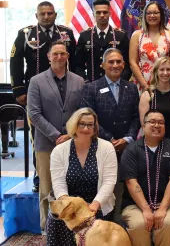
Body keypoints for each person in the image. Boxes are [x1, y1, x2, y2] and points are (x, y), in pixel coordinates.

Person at [27, 40, 84, 231]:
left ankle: (71, 230)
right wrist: (56, 135)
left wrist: (70, 135)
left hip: (74, 144)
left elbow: (82, 112)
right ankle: (47, 230)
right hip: (46, 144)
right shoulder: (36, 81)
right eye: (56, 53)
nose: (60, 57)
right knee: (47, 189)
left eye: (63, 53)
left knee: (70, 187)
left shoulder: (79, 80)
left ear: (68, 56)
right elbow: (34, 113)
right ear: (48, 56)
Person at [80, 48, 140, 220]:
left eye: (119, 62)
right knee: (102, 185)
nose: (115, 65)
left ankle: (119, 224)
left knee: (122, 186)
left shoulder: (132, 88)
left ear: (123, 64)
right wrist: (111, 140)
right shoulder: (91, 88)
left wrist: (127, 139)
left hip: (126, 148)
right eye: (111, 62)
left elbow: (136, 117)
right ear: (103, 65)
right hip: (99, 146)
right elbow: (88, 119)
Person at [47, 108, 118, 246]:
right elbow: (58, 183)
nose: (86, 128)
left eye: (90, 125)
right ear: (74, 125)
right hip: (68, 206)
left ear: (95, 127)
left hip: (96, 206)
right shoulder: (59, 151)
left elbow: (109, 182)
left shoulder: (107, 148)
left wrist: (94, 207)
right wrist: (66, 206)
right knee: (56, 220)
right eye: (82, 124)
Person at [120, 110, 170, 246]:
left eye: (161, 122)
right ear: (143, 126)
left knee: (167, 224)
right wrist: (145, 209)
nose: (157, 125)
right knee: (139, 224)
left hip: (167, 203)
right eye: (152, 122)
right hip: (135, 204)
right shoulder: (131, 149)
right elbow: (131, 182)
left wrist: (162, 209)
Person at [10, 1, 77, 106]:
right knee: (35, 119)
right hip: (35, 86)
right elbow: (15, 63)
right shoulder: (25, 34)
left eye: (50, 13)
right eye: (42, 14)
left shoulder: (66, 33)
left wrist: (75, 85)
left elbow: (74, 61)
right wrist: (18, 90)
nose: (46, 17)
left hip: (62, 85)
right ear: (37, 16)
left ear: (55, 15)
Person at [74, 0, 131, 82]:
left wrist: (120, 81)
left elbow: (127, 65)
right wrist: (85, 81)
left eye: (105, 12)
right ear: (93, 14)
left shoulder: (120, 36)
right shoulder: (85, 36)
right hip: (92, 84)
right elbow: (78, 65)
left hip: (116, 84)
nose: (102, 15)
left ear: (109, 14)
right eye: (98, 12)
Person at [129, 1, 170, 92]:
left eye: (155, 13)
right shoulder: (137, 35)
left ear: (161, 14)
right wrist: (145, 86)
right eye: (149, 13)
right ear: (144, 15)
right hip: (142, 83)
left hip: (165, 82)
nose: (152, 16)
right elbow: (133, 63)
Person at [139, 57, 170, 144]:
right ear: (156, 72)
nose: (165, 73)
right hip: (153, 145)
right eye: (162, 69)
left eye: (168, 69)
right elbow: (144, 125)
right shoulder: (147, 95)